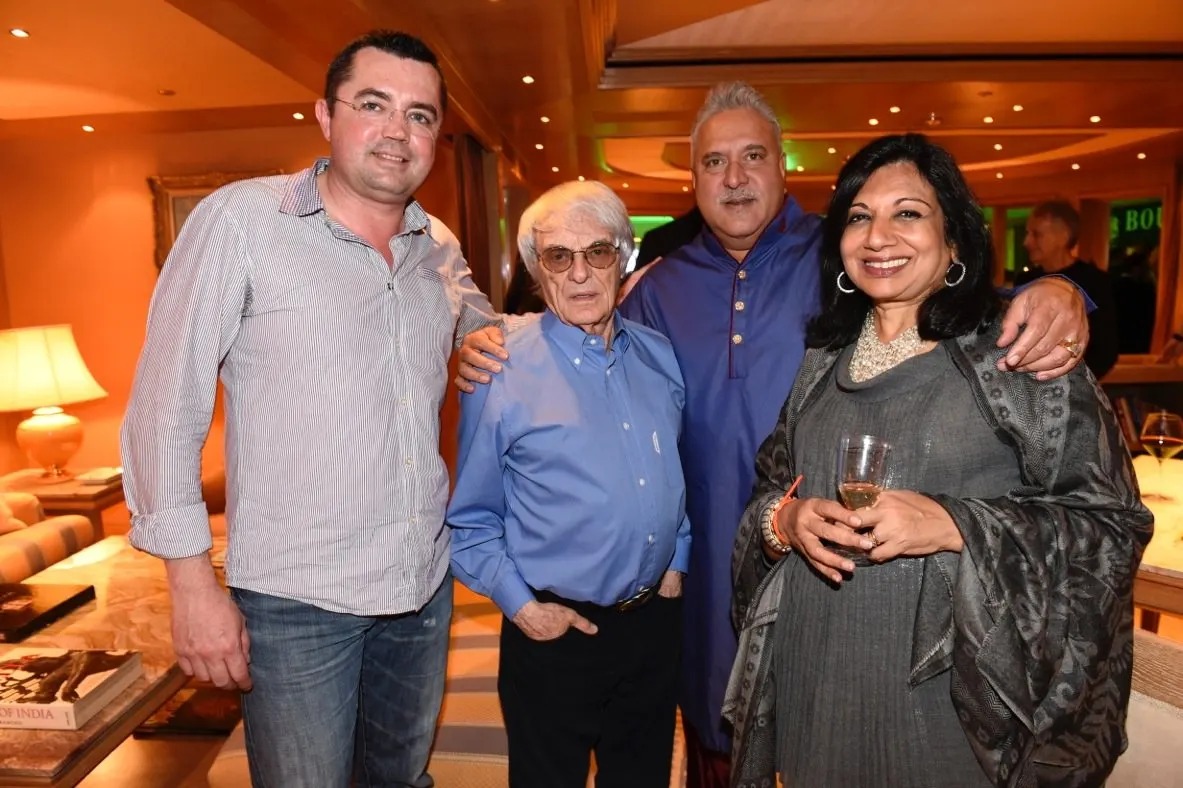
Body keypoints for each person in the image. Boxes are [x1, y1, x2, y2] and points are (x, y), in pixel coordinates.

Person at [456, 82, 1091, 786]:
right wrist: (479, 344)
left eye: (751, 155)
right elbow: (576, 354)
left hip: (838, 575)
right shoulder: (659, 286)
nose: (733, 178)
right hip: (696, 581)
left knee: (831, 733)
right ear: (691, 178)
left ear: (783, 165)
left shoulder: (844, 256)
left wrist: (1065, 292)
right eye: (712, 162)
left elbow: (957, 304)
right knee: (705, 735)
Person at [121, 30, 499, 788]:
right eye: (373, 104)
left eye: (420, 115)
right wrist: (192, 586)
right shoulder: (242, 223)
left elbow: (490, 325)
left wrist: (531, 328)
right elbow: (165, 404)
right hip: (296, 601)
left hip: (421, 585)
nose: (398, 131)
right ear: (325, 115)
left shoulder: (437, 245)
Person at [725, 133, 1152, 788]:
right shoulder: (819, 364)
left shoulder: (1014, 356)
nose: (877, 236)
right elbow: (769, 490)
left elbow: (1110, 525)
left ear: (953, 241)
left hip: (946, 721)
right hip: (815, 697)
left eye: (907, 213)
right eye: (858, 217)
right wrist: (785, 523)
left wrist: (954, 525)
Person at [447, 180, 690, 788]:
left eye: (598, 253)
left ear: (623, 257)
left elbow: (671, 473)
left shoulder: (660, 357)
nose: (580, 274)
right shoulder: (499, 367)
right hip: (555, 634)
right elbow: (471, 522)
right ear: (536, 269)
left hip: (651, 626)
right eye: (559, 256)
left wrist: (675, 558)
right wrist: (524, 610)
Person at [1016, 200, 1120, 378]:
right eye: (1027, 233)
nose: (1026, 242)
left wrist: (1075, 382)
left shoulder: (1094, 282)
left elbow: (1105, 350)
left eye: (1036, 234)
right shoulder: (1025, 281)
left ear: (1063, 236)